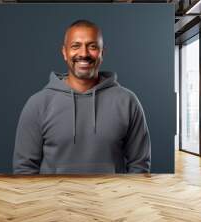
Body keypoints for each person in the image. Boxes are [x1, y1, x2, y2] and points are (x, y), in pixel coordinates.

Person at [13, 19, 151, 174]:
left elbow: (139, 165)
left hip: (110, 197)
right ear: (64, 52)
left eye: (92, 46)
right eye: (75, 46)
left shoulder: (127, 102)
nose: (84, 54)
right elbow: (24, 169)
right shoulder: (38, 104)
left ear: (102, 53)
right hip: (55, 198)